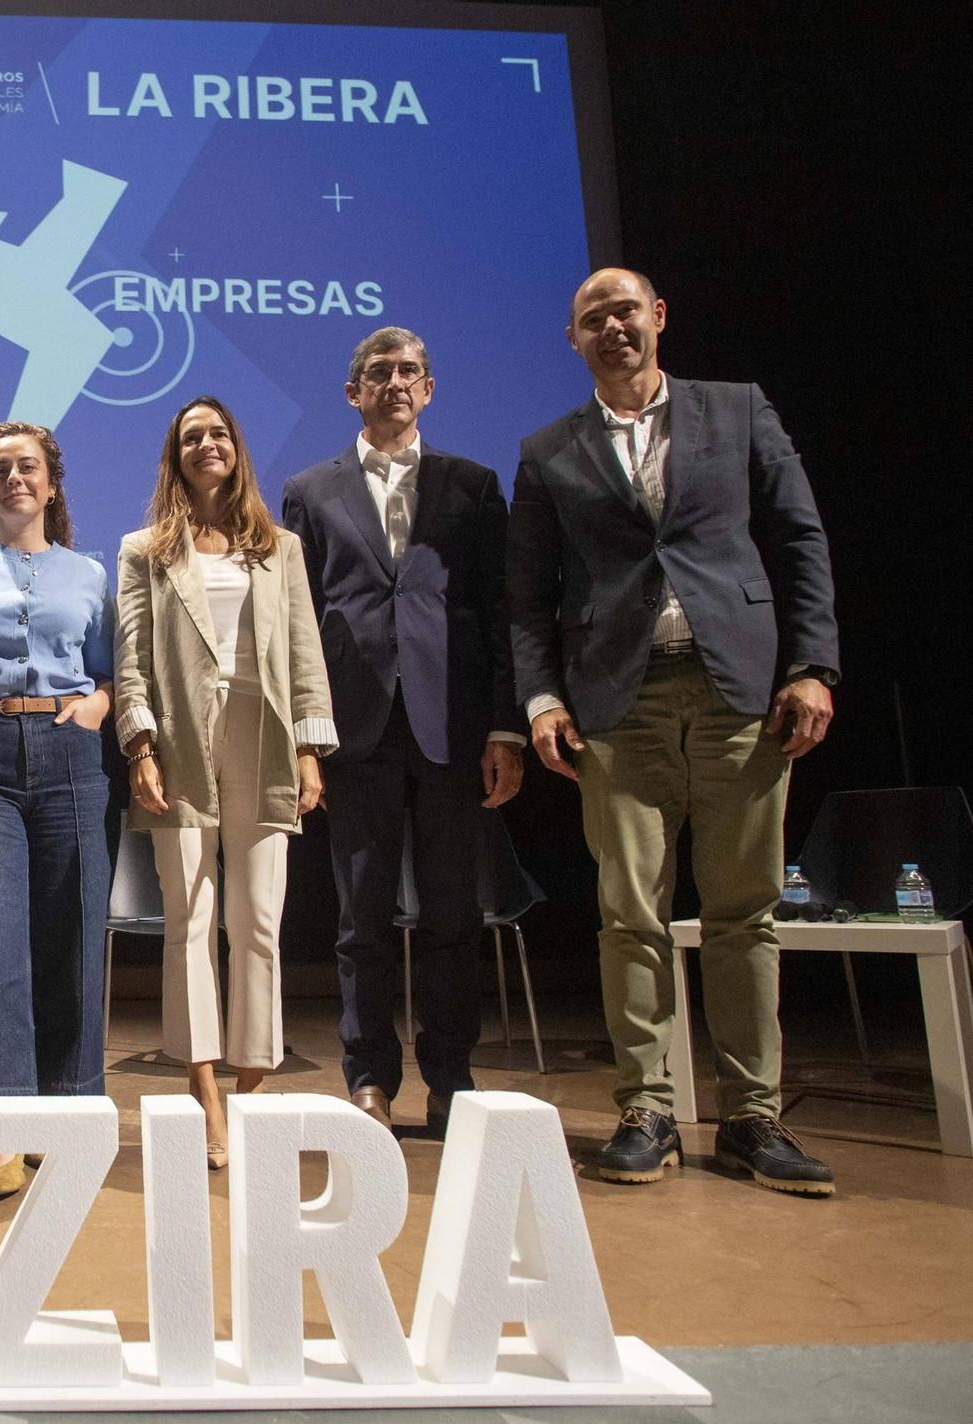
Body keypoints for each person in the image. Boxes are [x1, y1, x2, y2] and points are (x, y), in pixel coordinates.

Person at [507, 268, 839, 1195]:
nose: (611, 327)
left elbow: (800, 537)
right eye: (591, 319)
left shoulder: (735, 412)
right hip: (620, 702)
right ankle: (647, 1110)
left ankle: (751, 1118)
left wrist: (814, 666)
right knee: (631, 916)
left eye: (624, 311)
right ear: (572, 340)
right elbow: (529, 600)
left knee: (744, 914)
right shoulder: (547, 450)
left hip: (742, 693)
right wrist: (541, 700)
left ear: (657, 318)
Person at [281, 328, 524, 1132]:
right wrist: (307, 734)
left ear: (430, 388)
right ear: (352, 392)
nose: (395, 382)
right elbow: (300, 623)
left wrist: (505, 728)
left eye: (409, 371)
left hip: (451, 725)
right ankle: (369, 1076)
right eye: (378, 373)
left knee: (454, 913)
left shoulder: (474, 485)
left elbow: (500, 611)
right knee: (363, 920)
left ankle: (452, 1075)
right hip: (356, 729)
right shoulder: (311, 491)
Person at [115, 395, 336, 1167]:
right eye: (190, 437)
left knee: (259, 920)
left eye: (218, 434)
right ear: (175, 457)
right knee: (190, 918)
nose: (206, 444)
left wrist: (311, 749)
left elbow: (305, 653)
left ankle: (253, 1093)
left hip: (265, 740)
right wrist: (140, 746)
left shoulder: (280, 547)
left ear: (237, 449)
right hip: (180, 742)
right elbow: (132, 657)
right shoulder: (145, 549)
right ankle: (203, 1092)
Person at [0, 421, 113, 1199]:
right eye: (0, 469)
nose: (14, 479)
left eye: (27, 466)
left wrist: (99, 705)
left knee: (73, 934)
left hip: (69, 752)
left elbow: (107, 671)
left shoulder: (89, 573)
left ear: (51, 481)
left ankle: (66, 1120)